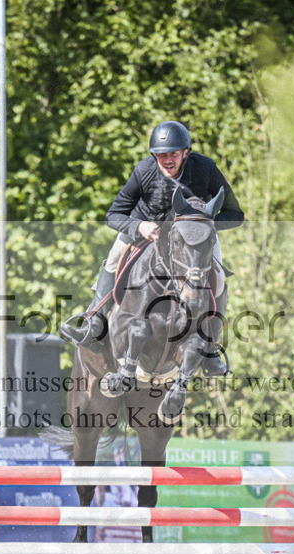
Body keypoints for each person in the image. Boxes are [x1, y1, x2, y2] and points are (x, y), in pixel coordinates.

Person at [61, 120, 244, 376]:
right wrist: (139, 227)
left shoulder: (206, 169)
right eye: (161, 155)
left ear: (186, 153)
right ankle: (94, 322)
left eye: (173, 154)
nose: (167, 160)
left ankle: (211, 350)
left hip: (192, 237)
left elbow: (236, 214)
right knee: (114, 259)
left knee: (220, 277)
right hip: (147, 231)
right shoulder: (145, 171)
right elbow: (113, 214)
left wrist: (202, 223)